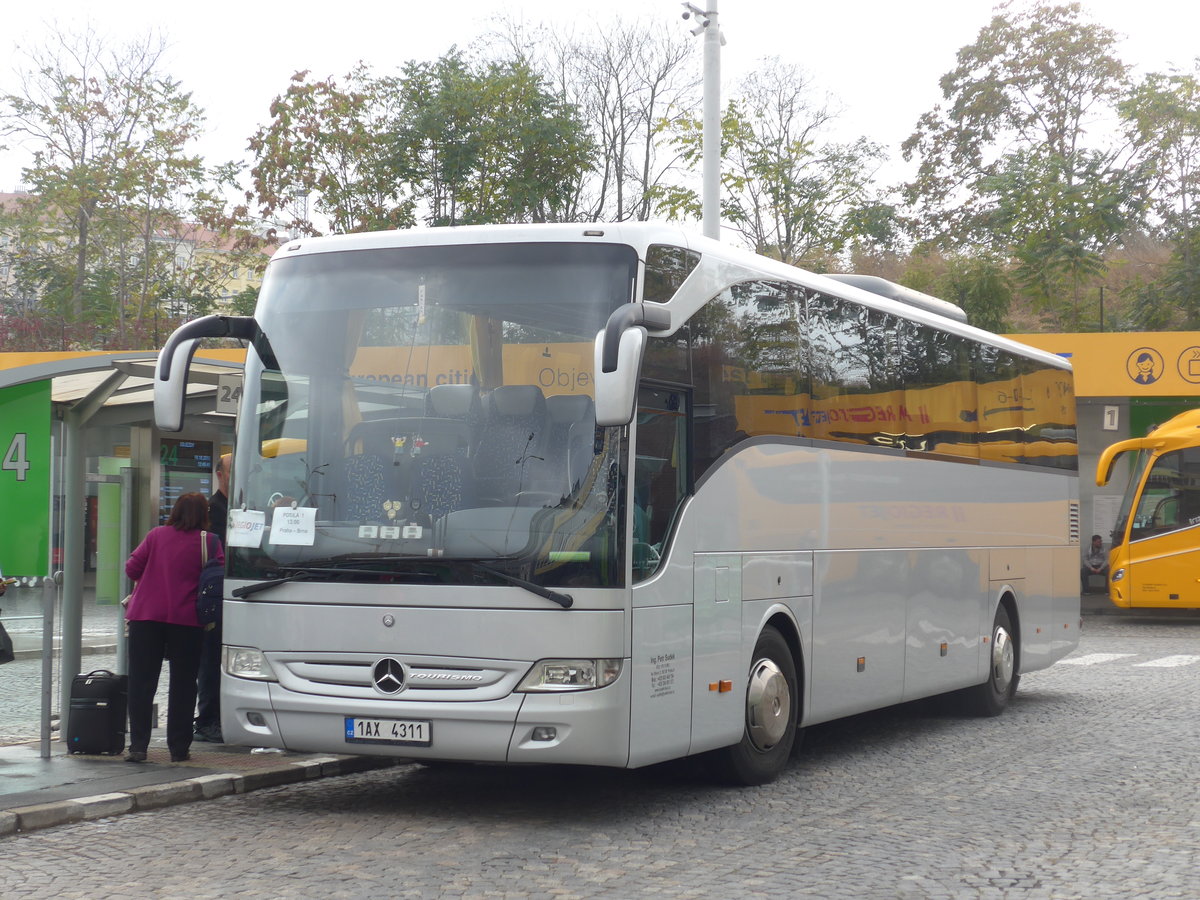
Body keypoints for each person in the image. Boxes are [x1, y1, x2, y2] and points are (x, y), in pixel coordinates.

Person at [124, 492, 223, 763]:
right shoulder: (211, 542)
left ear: (175, 511)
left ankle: (138, 746)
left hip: (146, 618)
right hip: (187, 620)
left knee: (142, 683)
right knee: (183, 684)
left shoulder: (156, 535)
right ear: (205, 514)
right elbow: (218, 579)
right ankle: (179, 748)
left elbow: (132, 569)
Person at [194, 452, 230, 744]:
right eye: (233, 470)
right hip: (215, 598)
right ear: (219, 474)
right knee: (210, 661)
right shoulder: (212, 510)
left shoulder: (246, 505)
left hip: (240, 594)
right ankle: (207, 720)